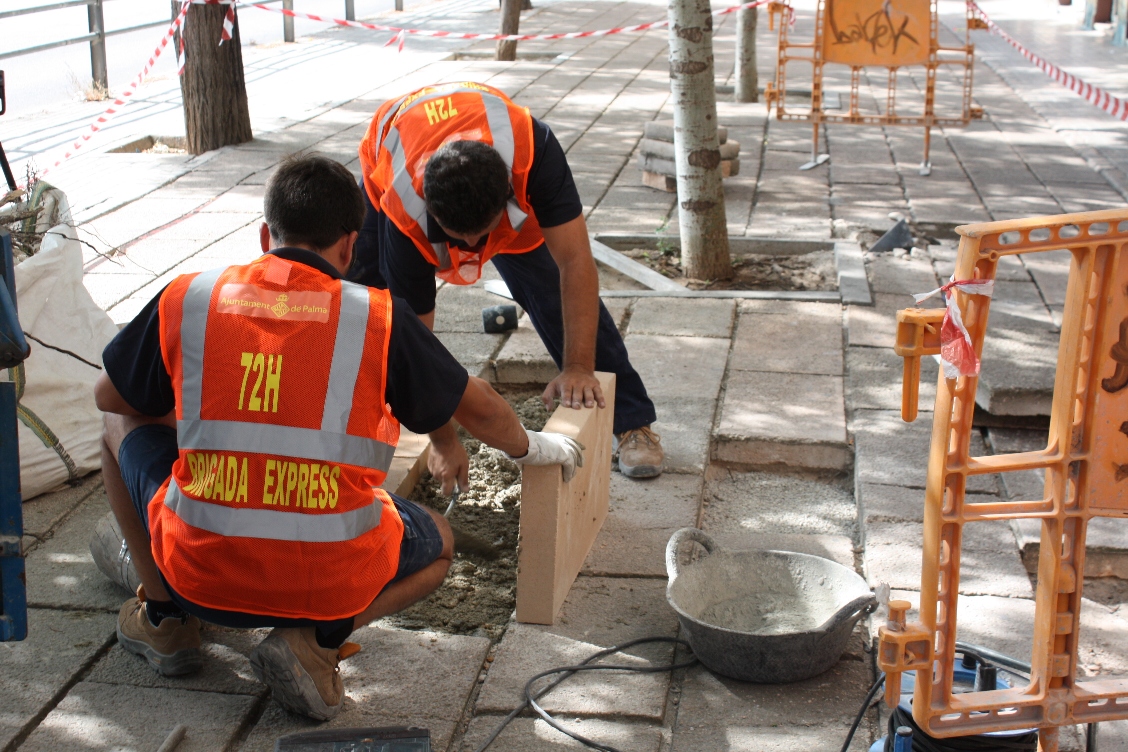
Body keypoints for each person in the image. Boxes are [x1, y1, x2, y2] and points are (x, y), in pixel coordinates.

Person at [93, 154, 582, 721]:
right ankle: (315, 643)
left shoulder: (190, 298)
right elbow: (483, 409)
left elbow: (110, 396)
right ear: (351, 247)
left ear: (263, 235)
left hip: (200, 574)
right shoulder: (375, 318)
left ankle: (165, 619)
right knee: (439, 545)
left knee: (115, 424)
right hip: (326, 579)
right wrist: (536, 449)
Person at [351, 81, 664, 479]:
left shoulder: (534, 154)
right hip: (392, 158)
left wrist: (579, 367)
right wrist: (443, 440)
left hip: (495, 176)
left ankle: (633, 421)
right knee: (369, 312)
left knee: (552, 285)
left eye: (482, 236)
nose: (470, 249)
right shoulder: (404, 204)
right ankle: (359, 428)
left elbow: (575, 260)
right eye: (455, 237)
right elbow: (415, 339)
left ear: (508, 198)